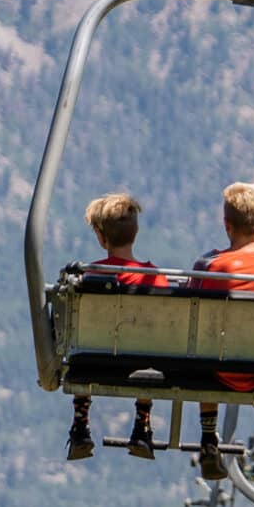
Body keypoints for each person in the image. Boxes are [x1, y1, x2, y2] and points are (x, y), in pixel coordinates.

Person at [189, 182, 254, 482]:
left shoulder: (206, 265)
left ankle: (209, 436)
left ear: (226, 225)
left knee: (210, 345)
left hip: (214, 369)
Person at [69, 193, 170, 461]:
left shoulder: (90, 276)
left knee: (81, 342)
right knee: (149, 348)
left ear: (102, 238)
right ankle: (142, 422)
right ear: (134, 234)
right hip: (142, 363)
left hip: (94, 360)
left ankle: (80, 421)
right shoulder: (153, 277)